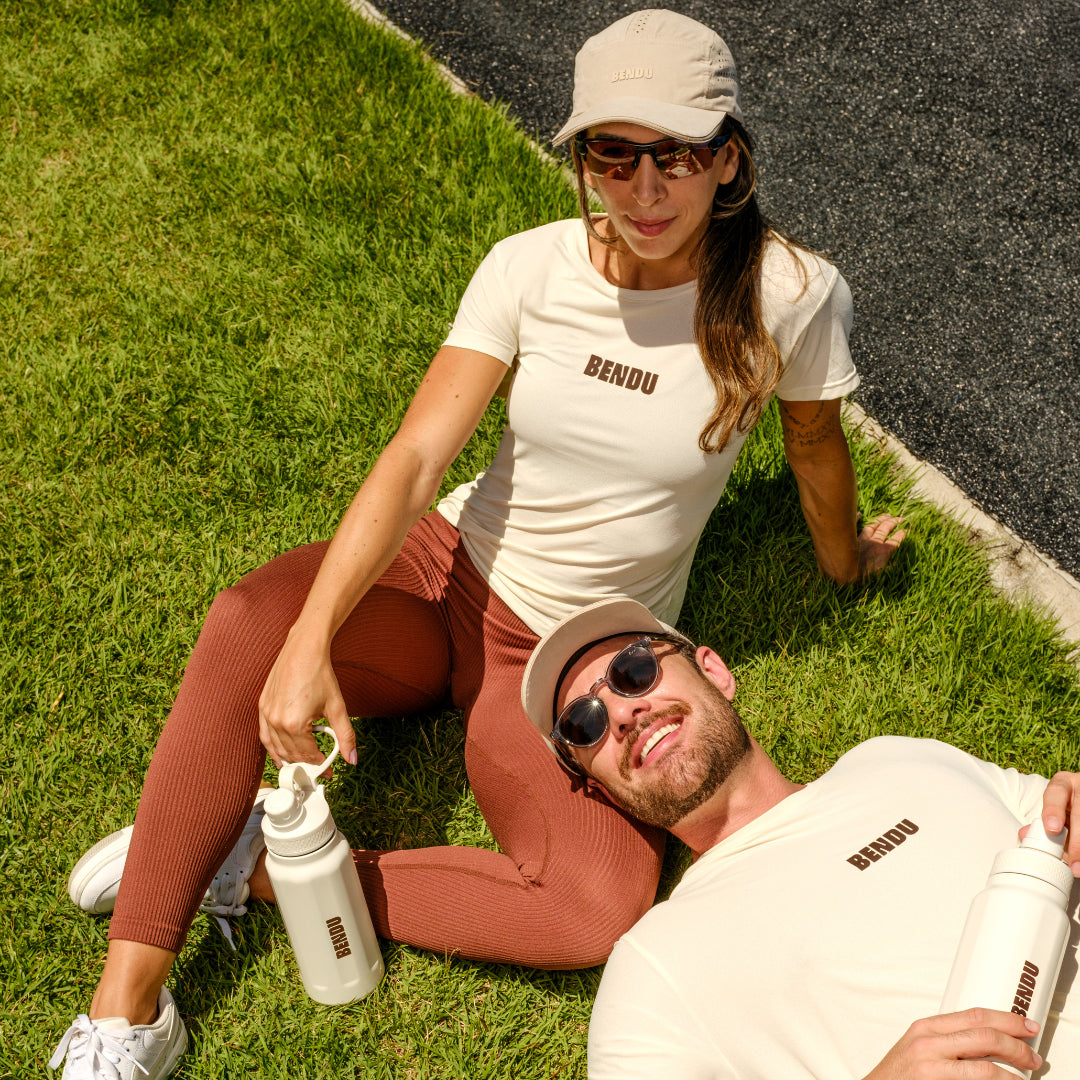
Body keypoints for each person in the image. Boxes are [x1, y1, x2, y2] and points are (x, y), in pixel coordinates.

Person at [51, 9, 905, 1078]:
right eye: (614, 155)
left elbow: (814, 443)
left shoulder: (792, 294)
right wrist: (310, 640)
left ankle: (247, 863)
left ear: (728, 158)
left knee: (593, 909)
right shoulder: (530, 268)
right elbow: (416, 458)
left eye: (676, 156)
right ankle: (128, 1012)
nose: (645, 190)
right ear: (583, 159)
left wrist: (844, 561)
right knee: (252, 621)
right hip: (447, 572)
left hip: (569, 663)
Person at [520, 596, 1080, 1079]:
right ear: (605, 790)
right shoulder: (653, 967)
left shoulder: (894, 758)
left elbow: (1060, 817)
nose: (623, 713)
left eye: (635, 669)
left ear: (715, 672)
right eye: (584, 725)